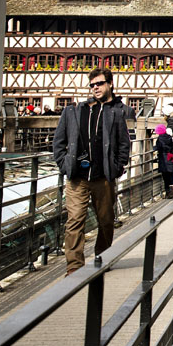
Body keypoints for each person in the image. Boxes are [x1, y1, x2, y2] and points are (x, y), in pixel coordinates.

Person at [51, 67, 132, 273]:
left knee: (105, 221)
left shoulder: (116, 112)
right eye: (92, 85)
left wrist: (117, 167)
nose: (95, 88)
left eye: (99, 83)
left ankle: (102, 258)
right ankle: (74, 268)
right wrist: (64, 164)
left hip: (103, 176)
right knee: (74, 221)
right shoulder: (76, 111)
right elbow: (58, 142)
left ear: (110, 84)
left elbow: (124, 143)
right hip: (77, 177)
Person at [154, 117, 173, 199]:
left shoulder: (160, 139)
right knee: (171, 175)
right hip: (170, 157)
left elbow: (159, 147)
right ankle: (172, 190)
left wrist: (155, 148)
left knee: (165, 177)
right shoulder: (169, 137)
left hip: (163, 159)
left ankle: (167, 192)